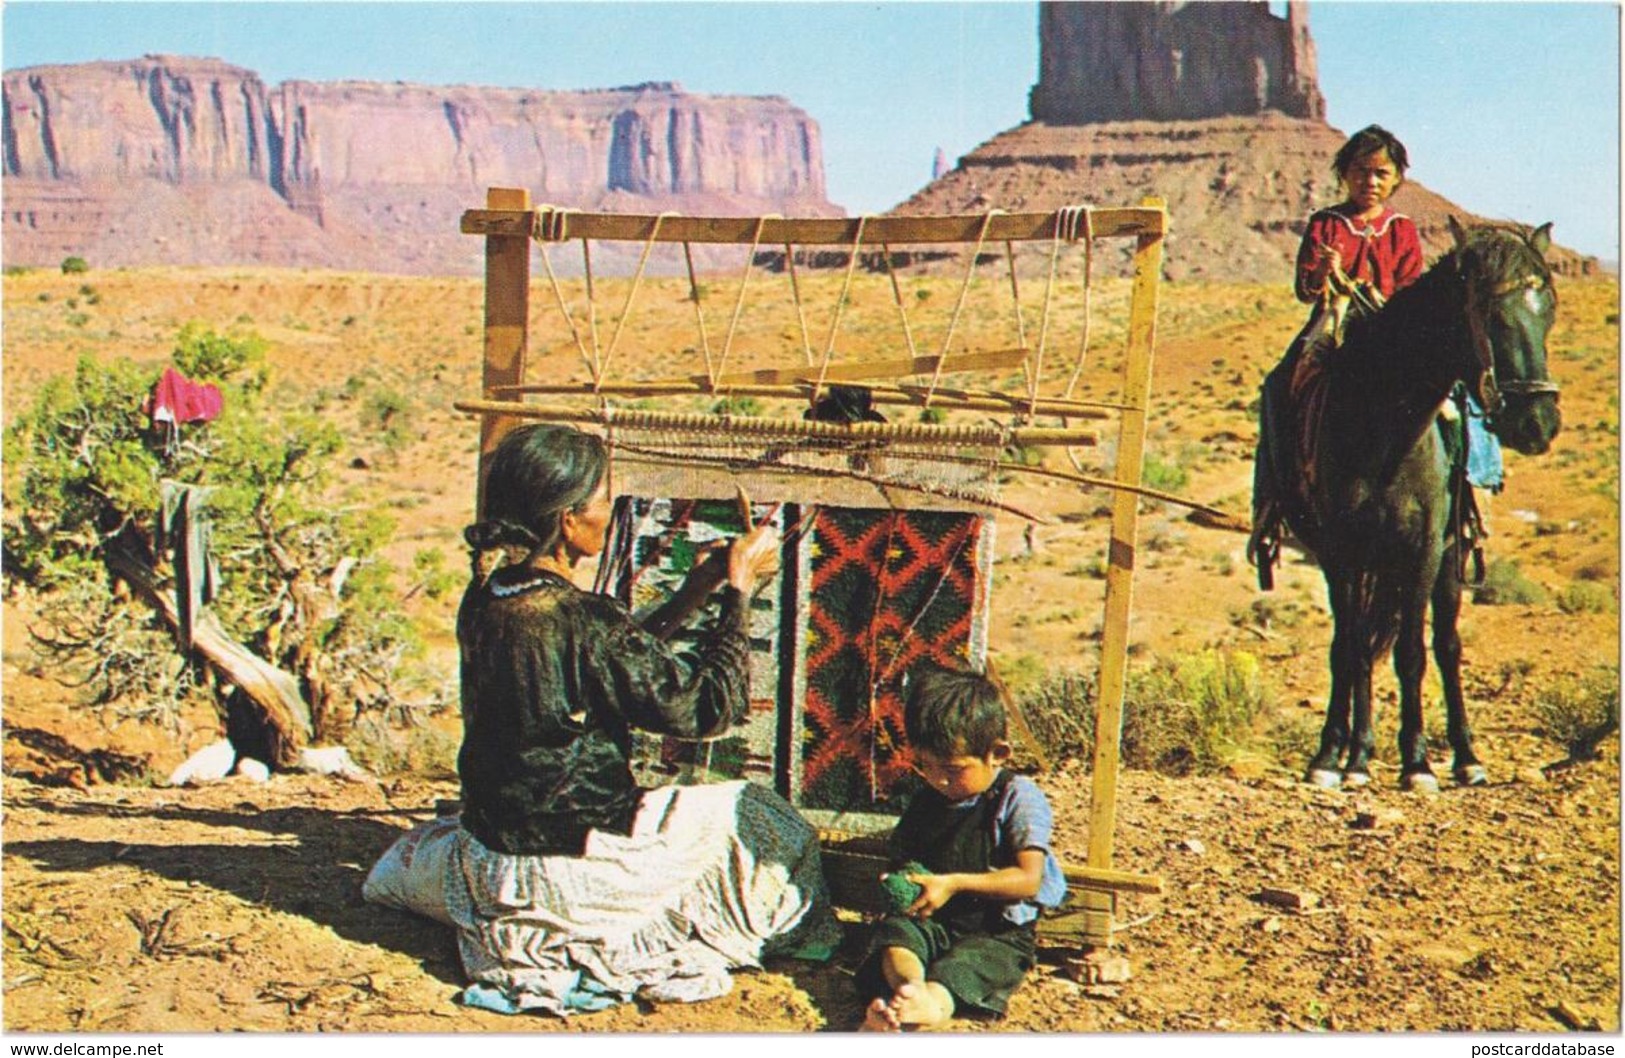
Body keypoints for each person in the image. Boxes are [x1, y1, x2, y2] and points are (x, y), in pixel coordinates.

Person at [445, 422, 835, 1016]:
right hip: (567, 867)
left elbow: (612, 659)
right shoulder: (580, 618)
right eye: (604, 500)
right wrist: (739, 591)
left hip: (491, 854)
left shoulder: (489, 596)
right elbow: (708, 710)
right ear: (569, 519)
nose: (610, 510)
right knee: (761, 816)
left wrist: (695, 589)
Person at [1248, 124, 1426, 584]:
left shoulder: (1402, 230)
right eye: (1361, 171)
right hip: (1333, 321)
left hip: (1389, 329)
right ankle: (1270, 506)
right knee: (1278, 387)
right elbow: (1305, 291)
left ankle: (1466, 514)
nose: (1371, 181)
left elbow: (1410, 288)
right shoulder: (1326, 224)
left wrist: (1382, 298)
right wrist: (1325, 273)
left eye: (1381, 173)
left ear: (1396, 179)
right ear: (1345, 175)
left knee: (1453, 398)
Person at [856, 662, 1067, 1031]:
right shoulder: (928, 797)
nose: (938, 779)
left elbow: (1028, 879)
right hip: (934, 921)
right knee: (898, 938)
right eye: (925, 766)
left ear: (997, 754)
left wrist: (952, 883)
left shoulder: (1016, 797)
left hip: (995, 931)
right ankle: (909, 990)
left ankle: (931, 1005)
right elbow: (907, 851)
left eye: (952, 770)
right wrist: (903, 879)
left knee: (969, 967)